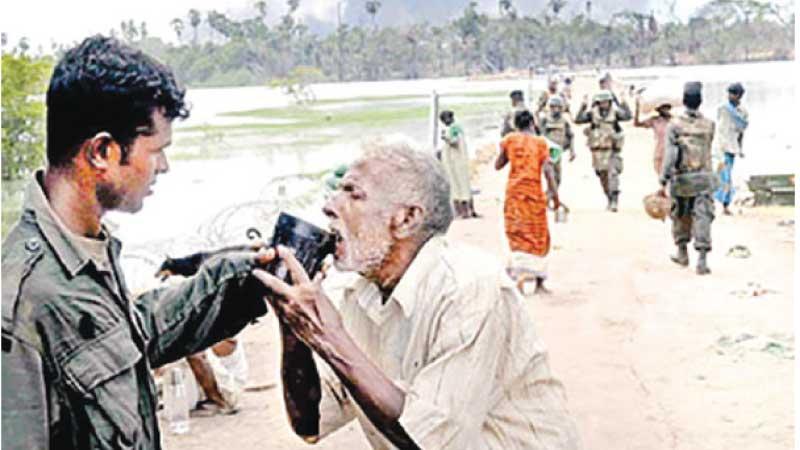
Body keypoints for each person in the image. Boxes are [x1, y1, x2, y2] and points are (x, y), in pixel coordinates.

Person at [1, 35, 272, 449]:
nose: (163, 166)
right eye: (156, 150)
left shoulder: (85, 251)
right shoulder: (21, 304)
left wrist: (242, 278)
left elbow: (130, 336)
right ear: (102, 152)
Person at [254, 141, 581, 449]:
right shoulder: (357, 293)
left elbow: (429, 441)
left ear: (407, 219)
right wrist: (291, 319)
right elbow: (309, 424)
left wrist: (329, 337)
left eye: (353, 194)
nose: (328, 206)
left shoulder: (470, 289)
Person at [496, 110, 561, 295]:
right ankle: (539, 282)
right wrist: (556, 197)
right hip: (534, 195)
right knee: (539, 236)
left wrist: (507, 152)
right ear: (533, 123)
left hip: (515, 195)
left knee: (517, 235)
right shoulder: (541, 143)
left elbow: (497, 165)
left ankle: (519, 280)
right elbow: (549, 172)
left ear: (516, 124)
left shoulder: (509, 140)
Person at [659, 82, 717, 275]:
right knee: (703, 217)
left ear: (684, 101)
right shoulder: (709, 124)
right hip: (704, 178)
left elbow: (671, 155)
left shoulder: (674, 126)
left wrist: (664, 177)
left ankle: (682, 252)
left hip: (683, 179)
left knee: (680, 215)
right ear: (700, 101)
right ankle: (702, 259)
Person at [574, 89, 632, 212]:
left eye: (606, 102)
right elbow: (578, 120)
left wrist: (623, 102)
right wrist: (583, 105)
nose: (604, 104)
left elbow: (628, 116)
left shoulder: (615, 113)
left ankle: (614, 200)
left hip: (612, 149)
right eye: (601, 102)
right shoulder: (592, 114)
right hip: (597, 151)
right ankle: (609, 198)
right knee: (602, 175)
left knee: (613, 174)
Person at [713, 82, 749, 215]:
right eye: (729, 93)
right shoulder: (723, 109)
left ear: (739, 96)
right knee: (724, 176)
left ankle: (725, 204)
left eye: (733, 94)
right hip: (720, 147)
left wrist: (741, 148)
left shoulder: (743, 113)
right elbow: (718, 128)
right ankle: (723, 203)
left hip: (732, 148)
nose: (730, 96)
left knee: (728, 176)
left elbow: (741, 132)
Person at [439, 110, 478, 219]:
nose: (445, 121)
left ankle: (464, 212)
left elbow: (454, 142)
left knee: (459, 186)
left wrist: (445, 138)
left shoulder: (454, 128)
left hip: (456, 161)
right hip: (457, 160)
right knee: (464, 185)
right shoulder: (455, 128)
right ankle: (470, 211)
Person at [539, 96, 575, 188]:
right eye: (553, 107)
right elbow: (539, 134)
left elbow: (570, 136)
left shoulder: (564, 121)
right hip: (546, 151)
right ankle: (549, 198)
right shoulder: (545, 120)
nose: (555, 110)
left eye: (558, 107)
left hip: (557, 151)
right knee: (550, 176)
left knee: (557, 178)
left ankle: (550, 197)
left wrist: (572, 151)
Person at [634, 98, 673, 177]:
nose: (666, 110)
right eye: (663, 108)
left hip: (671, 152)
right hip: (659, 152)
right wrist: (637, 108)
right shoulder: (654, 120)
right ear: (659, 110)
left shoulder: (674, 121)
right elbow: (637, 124)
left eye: (667, 108)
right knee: (661, 175)